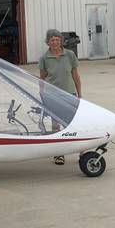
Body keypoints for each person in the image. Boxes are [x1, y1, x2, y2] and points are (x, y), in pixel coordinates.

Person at [38, 29, 82, 165]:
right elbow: (42, 78)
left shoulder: (70, 55)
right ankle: (58, 154)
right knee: (55, 126)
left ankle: (82, 151)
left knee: (73, 125)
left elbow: (75, 75)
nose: (55, 42)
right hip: (52, 96)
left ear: (61, 41)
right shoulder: (44, 58)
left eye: (57, 39)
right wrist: (42, 95)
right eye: (52, 40)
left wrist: (79, 94)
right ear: (48, 42)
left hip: (70, 94)